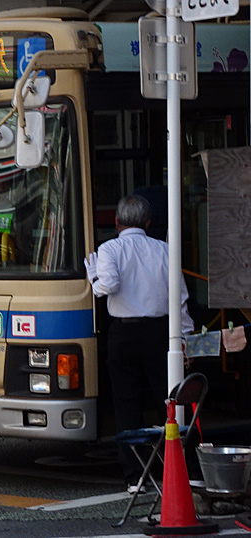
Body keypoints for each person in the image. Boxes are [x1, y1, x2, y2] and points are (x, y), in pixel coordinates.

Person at [84, 194, 194, 493]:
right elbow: (180, 299)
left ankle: (135, 477)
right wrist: (184, 339)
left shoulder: (109, 248)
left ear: (116, 222)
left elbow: (108, 286)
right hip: (160, 332)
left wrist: (94, 277)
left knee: (126, 403)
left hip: (123, 333)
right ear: (148, 222)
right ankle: (184, 470)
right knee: (168, 400)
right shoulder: (165, 250)